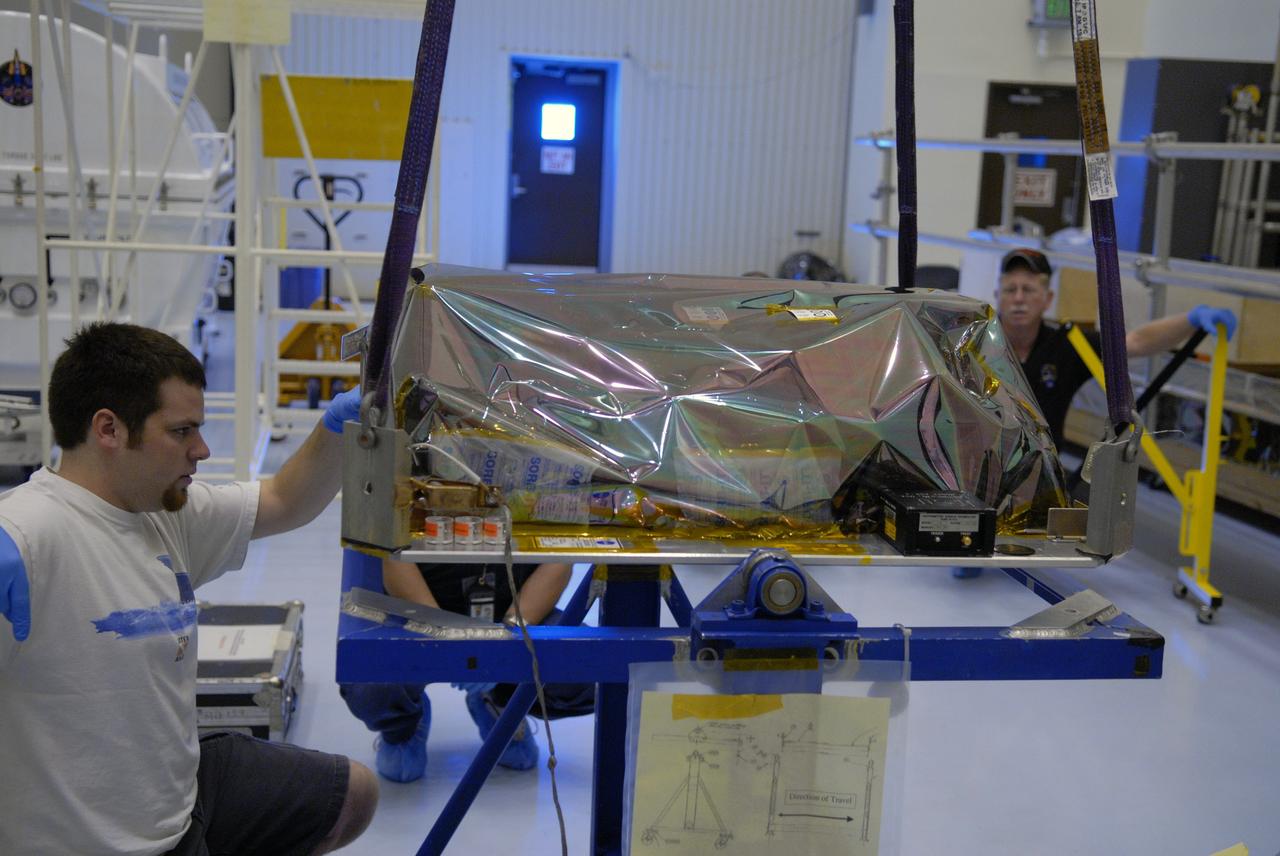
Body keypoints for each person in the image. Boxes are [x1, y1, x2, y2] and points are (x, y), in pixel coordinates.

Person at [0, 322, 378, 855]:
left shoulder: (162, 511)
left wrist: (340, 427)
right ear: (108, 429)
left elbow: (283, 501)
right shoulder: (27, 540)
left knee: (351, 795)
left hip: (179, 793)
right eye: (181, 431)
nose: (201, 449)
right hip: (86, 838)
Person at [952, 248, 1237, 578]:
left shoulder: (1067, 344)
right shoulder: (974, 344)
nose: (1018, 299)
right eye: (1011, 290)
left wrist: (1191, 319)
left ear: (1048, 299)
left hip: (1043, 477)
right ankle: (968, 534)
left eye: (1028, 290)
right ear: (998, 296)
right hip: (977, 474)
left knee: (1083, 507)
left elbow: (1135, 343)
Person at [341, 555, 594, 783]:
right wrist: (445, 637)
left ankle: (502, 700)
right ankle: (403, 727)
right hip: (416, 605)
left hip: (515, 600)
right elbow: (392, 556)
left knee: (584, 668)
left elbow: (558, 559)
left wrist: (507, 646)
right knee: (368, 676)